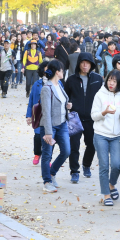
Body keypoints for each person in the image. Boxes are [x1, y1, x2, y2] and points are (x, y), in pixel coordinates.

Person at [64, 52, 102, 183]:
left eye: (88, 63)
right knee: (74, 146)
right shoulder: (71, 80)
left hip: (92, 118)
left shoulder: (98, 79)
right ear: (79, 64)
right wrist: (67, 106)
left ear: (92, 64)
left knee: (92, 144)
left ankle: (86, 165)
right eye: (82, 62)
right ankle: (74, 171)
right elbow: (65, 97)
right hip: (75, 118)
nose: (85, 65)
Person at [90, 70, 120, 206]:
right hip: (101, 134)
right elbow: (93, 115)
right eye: (109, 80)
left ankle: (112, 184)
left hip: (117, 135)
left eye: (114, 81)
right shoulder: (100, 95)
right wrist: (104, 112)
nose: (111, 83)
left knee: (117, 165)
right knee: (104, 165)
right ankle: (106, 194)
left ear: (119, 83)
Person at [39, 60, 72, 193]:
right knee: (47, 154)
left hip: (62, 123)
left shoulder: (60, 85)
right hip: (50, 126)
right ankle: (47, 181)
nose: (63, 72)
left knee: (66, 151)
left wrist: (68, 105)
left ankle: (52, 173)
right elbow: (46, 112)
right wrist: (48, 132)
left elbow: (62, 101)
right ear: (57, 72)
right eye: (62, 70)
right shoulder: (46, 88)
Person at [26, 62, 50, 166]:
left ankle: (47, 158)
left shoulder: (56, 83)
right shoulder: (37, 84)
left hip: (50, 115)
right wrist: (28, 115)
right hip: (38, 114)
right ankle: (37, 154)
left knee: (49, 137)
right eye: (46, 69)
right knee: (37, 136)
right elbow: (31, 100)